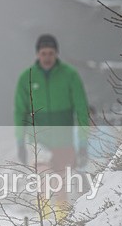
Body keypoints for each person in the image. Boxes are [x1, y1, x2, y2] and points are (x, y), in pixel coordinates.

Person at [14, 34, 90, 206]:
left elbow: (81, 110)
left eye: (51, 53)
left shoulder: (70, 75)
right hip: (38, 140)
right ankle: (44, 221)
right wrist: (20, 142)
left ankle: (62, 220)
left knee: (60, 185)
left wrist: (83, 142)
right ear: (37, 54)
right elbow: (19, 112)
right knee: (43, 183)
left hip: (64, 140)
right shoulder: (27, 77)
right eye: (43, 53)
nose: (47, 58)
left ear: (56, 54)